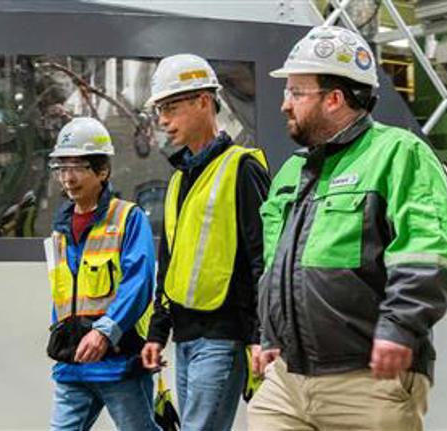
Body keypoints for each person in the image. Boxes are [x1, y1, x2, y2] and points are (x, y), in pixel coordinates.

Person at [249, 25, 447, 430]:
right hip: (288, 379)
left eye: (295, 92)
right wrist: (270, 333)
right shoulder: (292, 172)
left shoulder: (398, 153)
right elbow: (275, 266)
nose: (284, 105)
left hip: (366, 378)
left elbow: (426, 251)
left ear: (334, 99)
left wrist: (399, 328)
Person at [137, 54, 271, 430]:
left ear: (202, 101)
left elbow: (264, 258)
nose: (163, 120)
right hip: (186, 337)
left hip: (223, 338)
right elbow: (171, 262)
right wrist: (158, 332)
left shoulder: (242, 168)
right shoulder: (180, 179)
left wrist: (262, 335)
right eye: (160, 109)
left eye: (171, 107)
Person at [45, 117, 159, 431]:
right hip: (73, 365)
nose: (68, 178)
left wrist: (105, 331)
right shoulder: (60, 230)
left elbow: (139, 283)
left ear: (103, 171)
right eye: (61, 168)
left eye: (77, 167)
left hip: (117, 364)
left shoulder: (128, 219)